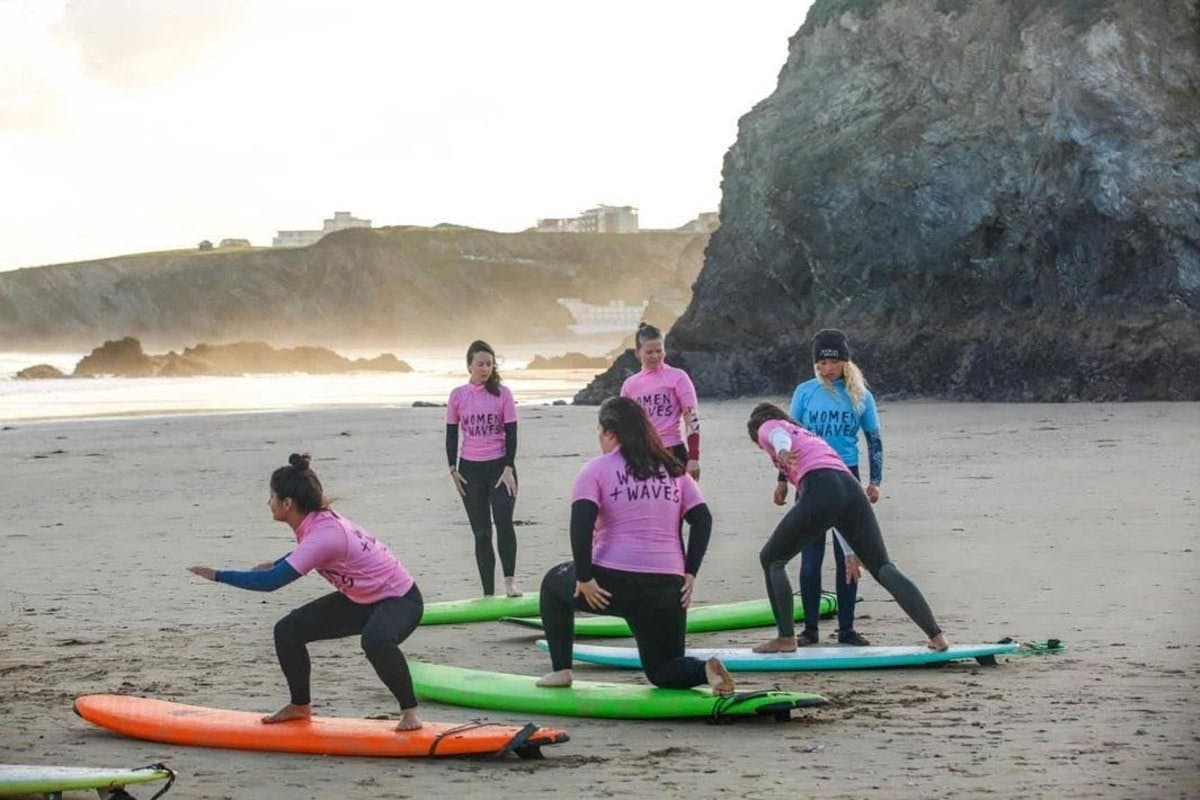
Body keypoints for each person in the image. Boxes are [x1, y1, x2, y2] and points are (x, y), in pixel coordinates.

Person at [187, 453, 424, 731]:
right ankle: (300, 706)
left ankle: (410, 712)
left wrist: (219, 575)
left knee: (376, 641)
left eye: (272, 497)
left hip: (400, 600)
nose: (269, 502)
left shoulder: (324, 533)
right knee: (288, 630)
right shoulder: (315, 524)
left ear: (287, 503)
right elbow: (308, 552)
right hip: (362, 598)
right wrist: (277, 562)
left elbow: (272, 583)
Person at [536, 396, 734, 695]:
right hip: (669, 588)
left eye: (600, 433)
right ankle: (705, 669)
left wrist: (585, 577)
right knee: (663, 669)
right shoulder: (673, 470)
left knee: (552, 585)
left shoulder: (596, 470)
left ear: (610, 433)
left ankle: (561, 670)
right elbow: (702, 520)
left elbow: (581, 526)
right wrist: (690, 573)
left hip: (613, 584)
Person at [747, 402, 948, 654]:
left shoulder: (768, 426)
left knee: (771, 559)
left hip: (821, 486)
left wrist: (782, 451)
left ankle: (786, 638)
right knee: (883, 567)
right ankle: (937, 636)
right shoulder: (809, 436)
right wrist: (850, 551)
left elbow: (776, 435)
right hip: (851, 489)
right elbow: (835, 512)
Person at [775, 328, 881, 646]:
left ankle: (846, 629)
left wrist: (875, 482)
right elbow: (787, 438)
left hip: (847, 476)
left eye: (832, 362)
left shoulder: (860, 395)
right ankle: (809, 629)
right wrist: (782, 480)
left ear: (844, 362)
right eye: (820, 362)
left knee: (848, 555)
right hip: (807, 476)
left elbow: (874, 439)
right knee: (811, 556)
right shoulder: (805, 392)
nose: (826, 368)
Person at [445, 340, 521, 597]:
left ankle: (510, 583)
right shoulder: (458, 396)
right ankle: (488, 593)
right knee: (481, 533)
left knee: (504, 523)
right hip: (470, 471)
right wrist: (453, 470)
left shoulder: (503, 394)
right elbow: (451, 435)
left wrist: (509, 466)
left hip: (500, 468)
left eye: (489, 364)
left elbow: (511, 432)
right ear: (469, 366)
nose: (485, 368)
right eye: (480, 364)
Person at [620, 323, 702, 481]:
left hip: (673, 451)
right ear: (638, 353)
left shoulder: (678, 377)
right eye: (649, 352)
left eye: (659, 351)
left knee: (684, 503)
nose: (655, 356)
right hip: (643, 453)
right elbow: (625, 425)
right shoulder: (630, 385)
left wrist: (693, 458)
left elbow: (691, 417)